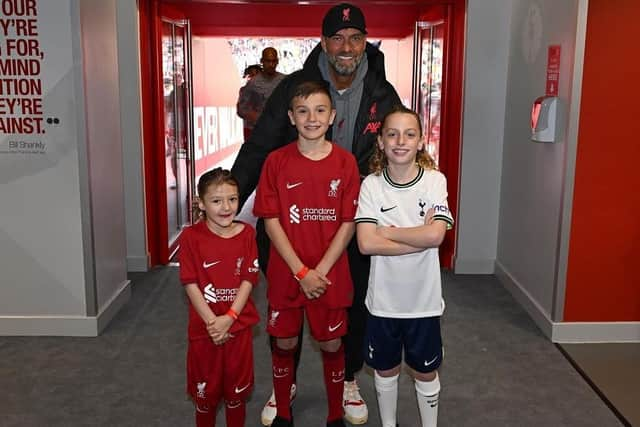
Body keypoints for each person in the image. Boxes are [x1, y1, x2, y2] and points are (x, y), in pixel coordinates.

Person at [231, 4, 402, 425]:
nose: (347, 48)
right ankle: (283, 384)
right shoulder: (294, 89)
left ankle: (347, 381)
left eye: (355, 38)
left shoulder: (382, 94)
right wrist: (231, 200)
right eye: (338, 39)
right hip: (292, 226)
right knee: (284, 313)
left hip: (353, 226)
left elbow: (400, 147)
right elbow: (259, 148)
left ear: (366, 43)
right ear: (324, 43)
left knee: (353, 307)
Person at [253, 81, 361, 427]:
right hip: (288, 272)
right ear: (291, 116)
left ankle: (334, 415)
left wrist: (320, 272)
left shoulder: (346, 163)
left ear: (332, 117)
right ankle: (283, 411)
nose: (311, 118)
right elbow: (270, 222)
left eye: (319, 110)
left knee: (331, 344)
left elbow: (348, 223)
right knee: (284, 341)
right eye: (302, 111)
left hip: (330, 274)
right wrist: (302, 272)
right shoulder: (275, 162)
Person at [354, 106, 454, 427]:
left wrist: (388, 231)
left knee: (425, 370)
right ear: (381, 142)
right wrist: (417, 237)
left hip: (422, 303)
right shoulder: (371, 185)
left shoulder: (435, 182)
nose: (401, 141)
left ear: (421, 141)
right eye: (392, 134)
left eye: (409, 134)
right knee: (385, 369)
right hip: (383, 303)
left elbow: (436, 234)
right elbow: (366, 244)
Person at [178, 168, 261, 427]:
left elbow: (249, 279)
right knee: (206, 399)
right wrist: (214, 323)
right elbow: (190, 284)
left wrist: (230, 317)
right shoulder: (191, 238)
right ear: (201, 203)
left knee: (236, 396)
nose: (226, 207)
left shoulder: (247, 233)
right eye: (216, 201)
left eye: (233, 199)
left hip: (238, 328)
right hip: (206, 332)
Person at [236, 47, 286, 140]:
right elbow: (241, 109)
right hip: (258, 132)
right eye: (268, 61)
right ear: (262, 61)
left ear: (277, 61)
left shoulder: (284, 81)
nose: (271, 64)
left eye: (273, 61)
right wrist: (258, 118)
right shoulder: (253, 83)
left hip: (280, 132)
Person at [237, 64, 263, 140]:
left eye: (256, 76)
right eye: (251, 76)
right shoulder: (244, 90)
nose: (254, 78)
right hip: (250, 129)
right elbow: (240, 110)